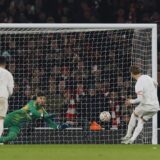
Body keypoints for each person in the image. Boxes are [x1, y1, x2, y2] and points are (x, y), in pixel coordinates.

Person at [0, 92, 70, 143]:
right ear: (36, 98)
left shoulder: (42, 110)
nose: (42, 100)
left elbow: (49, 122)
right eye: (40, 98)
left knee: (11, 137)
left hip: (17, 125)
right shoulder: (32, 102)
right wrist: (43, 116)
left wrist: (58, 127)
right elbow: (33, 111)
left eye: (44, 99)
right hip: (11, 118)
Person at [121, 65, 159, 144]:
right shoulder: (147, 77)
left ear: (131, 74)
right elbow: (156, 83)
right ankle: (132, 139)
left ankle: (128, 135)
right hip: (156, 107)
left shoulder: (138, 84)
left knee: (134, 115)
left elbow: (140, 99)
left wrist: (130, 101)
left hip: (147, 105)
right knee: (141, 121)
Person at [0, 56, 14, 139]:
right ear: (5, 64)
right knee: (0, 119)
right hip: (2, 96)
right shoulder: (8, 74)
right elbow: (11, 90)